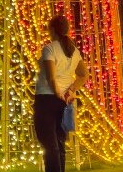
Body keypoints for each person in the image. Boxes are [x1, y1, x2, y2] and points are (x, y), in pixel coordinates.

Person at [33, 15, 88, 172]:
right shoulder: (73, 51)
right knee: (59, 142)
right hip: (64, 100)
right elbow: (83, 75)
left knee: (49, 144)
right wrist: (69, 91)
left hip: (46, 100)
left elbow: (51, 76)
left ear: (52, 30)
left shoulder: (49, 49)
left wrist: (57, 92)